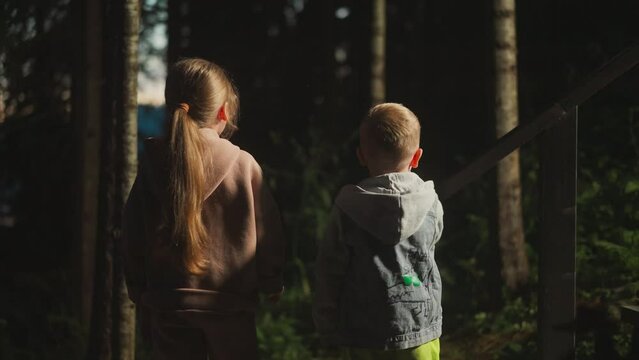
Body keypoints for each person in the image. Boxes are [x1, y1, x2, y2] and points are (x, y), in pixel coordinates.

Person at [122, 58, 286, 360]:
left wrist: (137, 286)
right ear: (223, 111)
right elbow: (267, 231)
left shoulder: (153, 167)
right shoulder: (243, 165)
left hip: (168, 304)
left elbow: (133, 233)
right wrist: (271, 280)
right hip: (230, 306)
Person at [313, 103, 444, 360]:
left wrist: (326, 322)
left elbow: (329, 268)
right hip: (419, 331)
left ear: (361, 155)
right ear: (417, 157)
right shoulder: (431, 203)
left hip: (364, 336)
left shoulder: (348, 208)